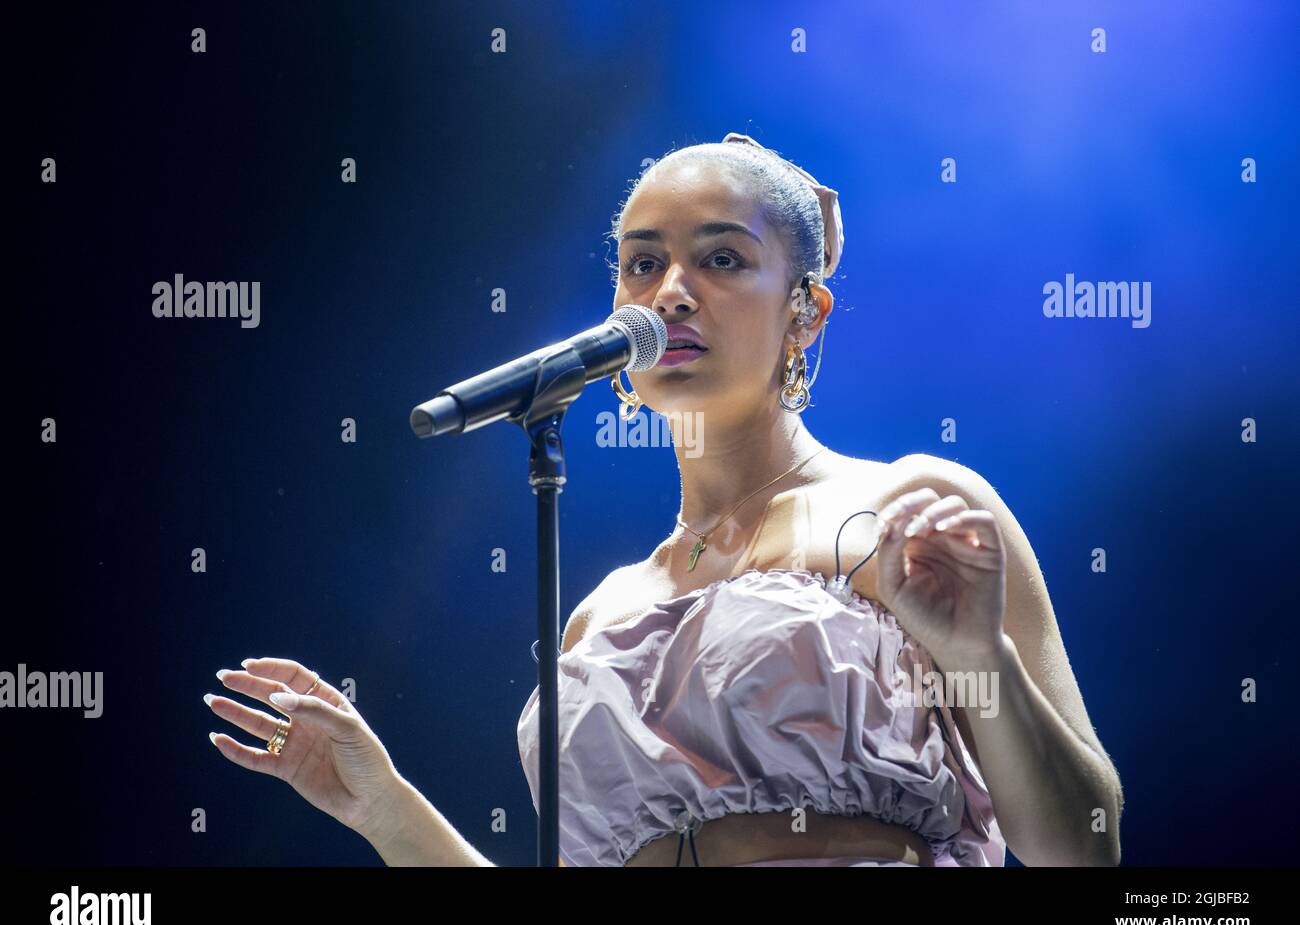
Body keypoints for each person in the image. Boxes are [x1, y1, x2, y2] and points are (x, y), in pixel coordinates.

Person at [205, 132, 1124, 867]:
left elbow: (1086, 851)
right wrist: (387, 811)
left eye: (722, 259)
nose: (671, 294)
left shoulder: (908, 510)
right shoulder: (603, 611)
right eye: (642, 266)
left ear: (805, 313)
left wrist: (979, 657)